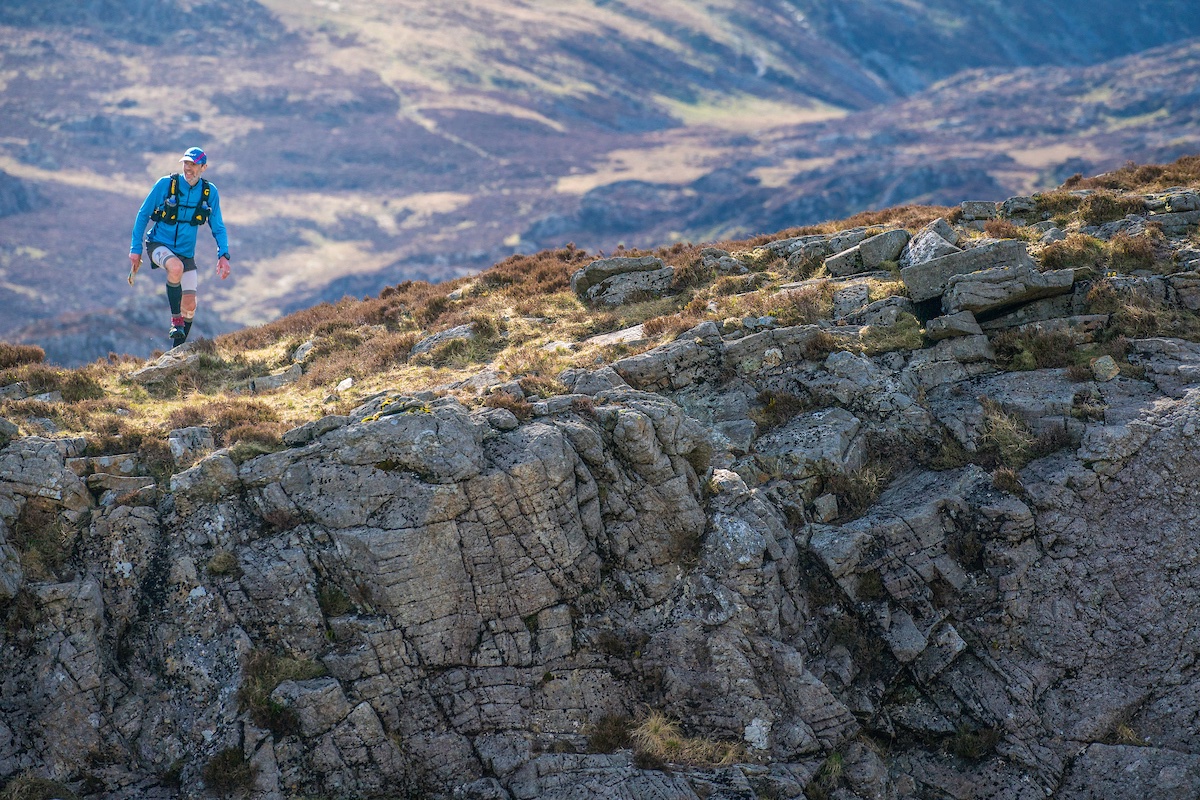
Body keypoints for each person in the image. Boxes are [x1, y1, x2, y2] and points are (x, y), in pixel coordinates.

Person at [129, 147, 231, 349]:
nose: (188, 168)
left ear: (203, 167)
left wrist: (223, 255)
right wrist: (136, 248)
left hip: (186, 254)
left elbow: (218, 226)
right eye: (185, 163)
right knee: (175, 268)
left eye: (192, 164)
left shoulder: (209, 193)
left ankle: (176, 353)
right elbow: (143, 214)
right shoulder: (165, 185)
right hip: (158, 244)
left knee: (190, 305)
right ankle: (175, 320)